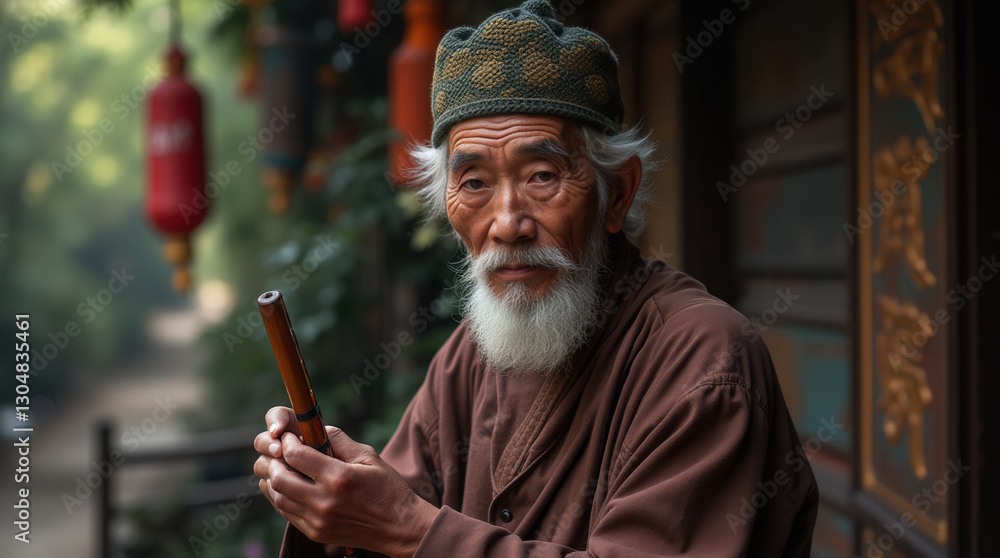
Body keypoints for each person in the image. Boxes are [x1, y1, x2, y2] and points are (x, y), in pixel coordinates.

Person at [253, 1, 819, 556]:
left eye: (543, 175)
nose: (507, 224)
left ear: (616, 194)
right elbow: (384, 518)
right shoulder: (468, 358)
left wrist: (408, 528)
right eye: (474, 182)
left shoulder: (706, 360)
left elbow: (403, 522)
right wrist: (326, 489)